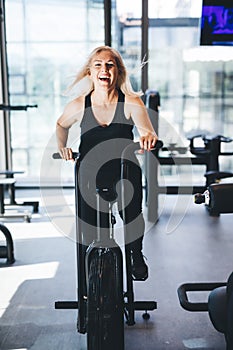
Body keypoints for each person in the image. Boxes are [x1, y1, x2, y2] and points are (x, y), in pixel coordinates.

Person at [56, 46, 158, 281]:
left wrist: (147, 139)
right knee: (89, 223)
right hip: (90, 172)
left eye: (110, 65)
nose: (105, 69)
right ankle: (91, 267)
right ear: (90, 73)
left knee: (131, 213)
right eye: (98, 65)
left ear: (118, 71)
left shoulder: (131, 102)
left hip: (123, 170)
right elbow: (61, 125)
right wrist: (62, 147)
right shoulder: (79, 104)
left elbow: (147, 132)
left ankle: (135, 254)